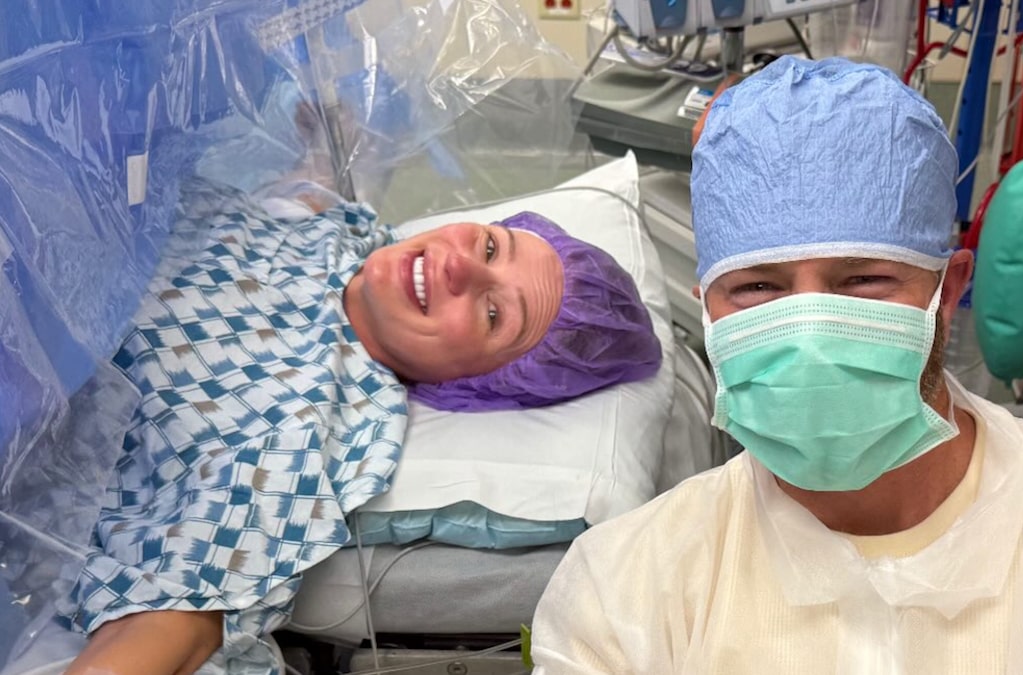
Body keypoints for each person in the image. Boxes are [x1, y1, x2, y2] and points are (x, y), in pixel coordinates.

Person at [530, 56, 1023, 673]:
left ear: (949, 292)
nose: (811, 330)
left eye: (862, 281)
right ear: (708, 309)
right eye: (758, 287)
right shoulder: (624, 595)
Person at [60, 178, 661, 674]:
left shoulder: (297, 437)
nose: (457, 264)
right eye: (489, 246)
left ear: (475, 384)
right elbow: (305, 192)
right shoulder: (345, 233)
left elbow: (173, 623)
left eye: (493, 313)